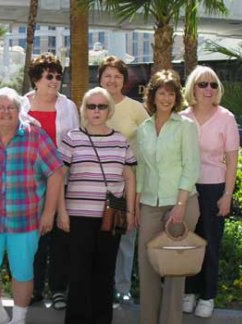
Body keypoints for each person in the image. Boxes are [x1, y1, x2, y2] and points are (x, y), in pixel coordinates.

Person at [0, 87, 63, 324]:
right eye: (0, 108)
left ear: (19, 111)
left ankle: (19, 319)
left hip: (25, 221)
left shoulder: (35, 136)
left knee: (22, 272)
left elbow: (55, 172)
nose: (5, 112)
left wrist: (49, 213)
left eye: (11, 107)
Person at [58, 87, 136, 324]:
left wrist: (131, 212)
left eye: (102, 106)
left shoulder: (120, 140)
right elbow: (60, 177)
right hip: (78, 217)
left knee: (104, 274)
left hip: (111, 217)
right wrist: (61, 211)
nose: (96, 111)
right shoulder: (72, 138)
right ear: (84, 110)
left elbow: (130, 177)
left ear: (109, 110)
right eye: (91, 106)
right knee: (79, 275)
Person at [135, 69, 200, 324]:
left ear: (176, 97)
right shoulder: (144, 128)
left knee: (175, 269)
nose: (166, 98)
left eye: (171, 94)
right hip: (150, 204)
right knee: (147, 265)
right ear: (153, 95)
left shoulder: (186, 126)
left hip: (181, 203)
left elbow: (191, 166)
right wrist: (137, 204)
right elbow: (140, 168)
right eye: (161, 93)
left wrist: (181, 205)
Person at [181, 66, 239, 318]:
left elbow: (232, 161)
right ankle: (188, 292)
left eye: (213, 85)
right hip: (185, 189)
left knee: (210, 245)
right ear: (192, 88)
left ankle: (208, 296)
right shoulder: (182, 117)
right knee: (188, 242)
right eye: (202, 84)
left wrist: (227, 195)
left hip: (214, 188)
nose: (208, 89)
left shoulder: (226, 118)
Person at [24, 52, 79, 309]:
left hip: (62, 178)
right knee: (34, 237)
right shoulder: (21, 105)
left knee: (61, 235)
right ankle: (33, 289)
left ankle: (59, 289)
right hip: (29, 182)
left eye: (58, 76)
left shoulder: (68, 106)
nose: (54, 81)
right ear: (36, 79)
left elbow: (74, 141)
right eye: (49, 76)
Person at [98, 55, 149, 303]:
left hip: (127, 185)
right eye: (107, 75)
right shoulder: (92, 103)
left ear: (124, 81)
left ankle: (123, 287)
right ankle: (101, 287)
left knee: (126, 238)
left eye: (117, 76)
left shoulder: (136, 108)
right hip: (95, 186)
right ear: (100, 79)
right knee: (99, 239)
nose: (112, 80)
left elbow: (150, 144)